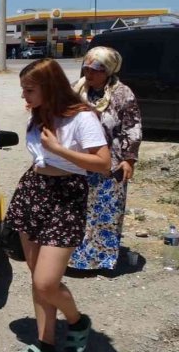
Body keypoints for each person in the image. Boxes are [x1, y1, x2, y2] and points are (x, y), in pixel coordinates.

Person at [7, 58, 110, 352]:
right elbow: (40, 157)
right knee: (36, 275)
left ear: (49, 88)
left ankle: (77, 321)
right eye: (23, 90)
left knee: (46, 282)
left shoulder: (82, 118)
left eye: (29, 90)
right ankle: (45, 342)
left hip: (66, 196)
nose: (24, 97)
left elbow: (103, 163)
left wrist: (58, 150)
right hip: (34, 192)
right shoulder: (40, 114)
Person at [69, 46, 142, 271]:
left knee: (104, 214)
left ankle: (99, 261)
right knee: (77, 211)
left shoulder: (122, 94)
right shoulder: (77, 90)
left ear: (108, 70)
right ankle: (72, 260)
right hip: (79, 163)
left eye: (96, 69)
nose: (89, 73)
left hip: (109, 166)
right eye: (86, 67)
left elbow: (133, 128)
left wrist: (128, 159)